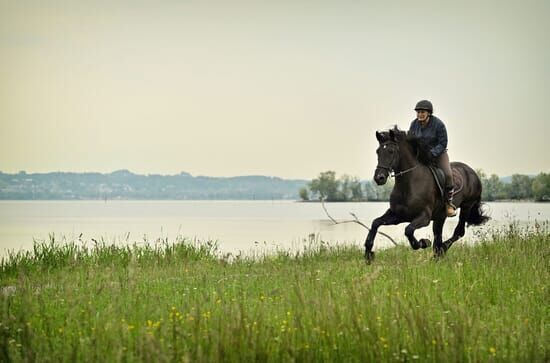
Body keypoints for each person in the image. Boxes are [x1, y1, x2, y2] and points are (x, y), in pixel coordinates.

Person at [408, 100, 456, 217]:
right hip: (421, 155)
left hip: (438, 154)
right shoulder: (414, 124)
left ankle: (448, 203)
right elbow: (410, 141)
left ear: (429, 113)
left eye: (422, 112)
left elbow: (443, 143)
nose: (420, 114)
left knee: (448, 174)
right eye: (418, 112)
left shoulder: (439, 124)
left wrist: (432, 153)